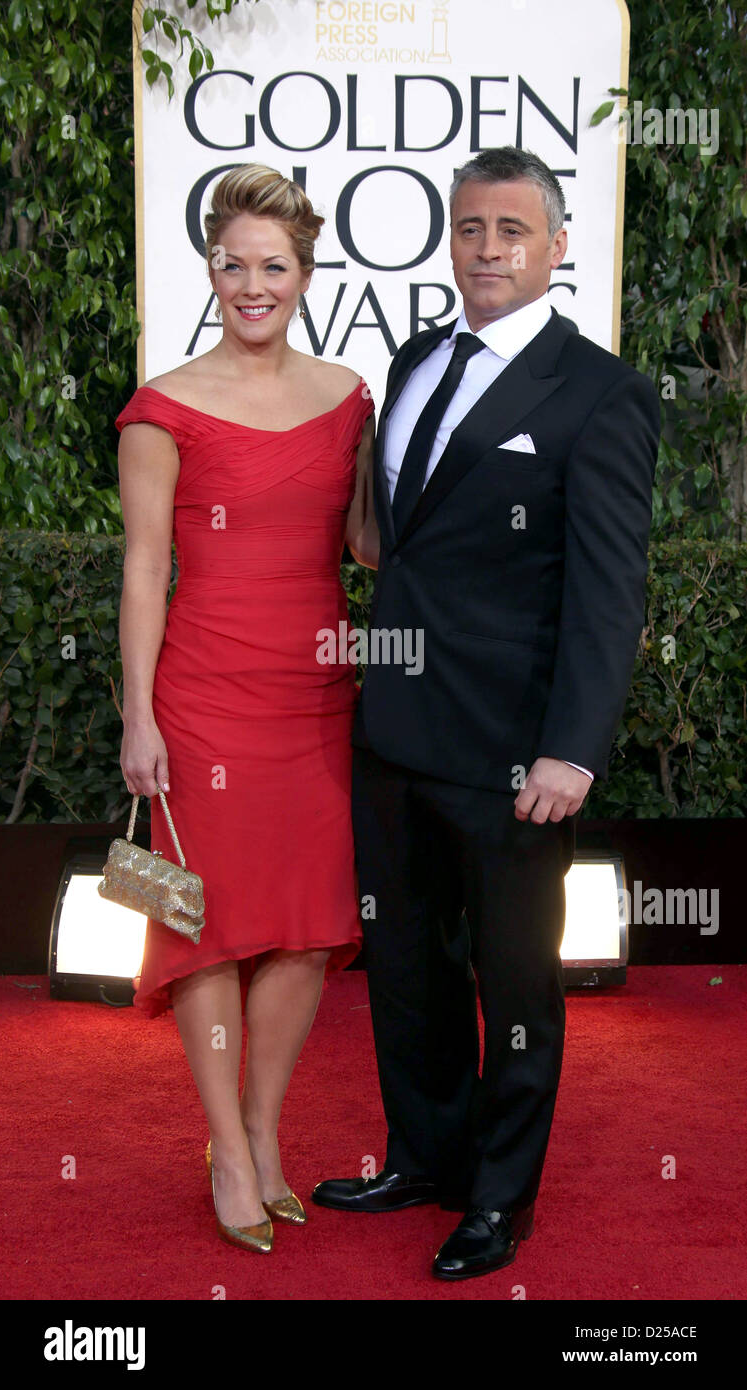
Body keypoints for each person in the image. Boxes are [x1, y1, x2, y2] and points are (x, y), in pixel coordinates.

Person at [312, 146, 660, 1280]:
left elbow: (610, 590)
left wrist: (573, 748)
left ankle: (500, 1200)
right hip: (395, 733)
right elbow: (390, 545)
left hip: (515, 751)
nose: (488, 249)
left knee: (514, 982)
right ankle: (426, 1155)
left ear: (558, 246)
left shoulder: (602, 392)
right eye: (470, 229)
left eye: (513, 230)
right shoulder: (414, 359)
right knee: (406, 965)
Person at [115, 164, 377, 1253]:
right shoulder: (162, 406)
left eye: (276, 265)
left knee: (310, 932)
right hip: (206, 693)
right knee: (208, 928)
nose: (253, 283)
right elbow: (141, 571)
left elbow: (369, 544)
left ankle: (265, 1132)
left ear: (306, 276)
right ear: (212, 269)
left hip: (315, 693)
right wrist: (139, 718)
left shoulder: (351, 396)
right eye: (236, 264)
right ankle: (225, 1146)